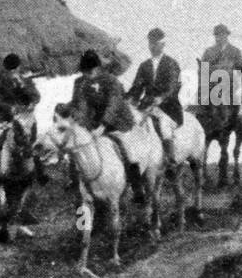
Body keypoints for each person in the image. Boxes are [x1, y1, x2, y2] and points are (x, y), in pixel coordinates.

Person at [71, 49, 141, 197]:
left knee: (128, 151)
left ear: (97, 68)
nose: (87, 75)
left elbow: (113, 104)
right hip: (95, 123)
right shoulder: (82, 83)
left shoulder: (111, 81)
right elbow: (82, 105)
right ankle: (80, 183)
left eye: (90, 72)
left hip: (118, 122)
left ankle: (136, 187)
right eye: (84, 72)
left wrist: (103, 125)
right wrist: (80, 121)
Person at [125, 27, 184, 138]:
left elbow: (174, 87)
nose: (152, 46)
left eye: (155, 43)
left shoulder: (171, 64)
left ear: (162, 44)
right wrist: (129, 99)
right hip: (146, 106)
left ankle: (169, 155)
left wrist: (161, 98)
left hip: (168, 108)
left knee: (164, 129)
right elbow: (136, 87)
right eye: (150, 43)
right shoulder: (144, 65)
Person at [198, 23, 242, 119]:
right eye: (217, 35)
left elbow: (241, 70)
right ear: (215, 36)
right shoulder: (209, 51)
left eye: (222, 34)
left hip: (230, 84)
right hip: (213, 84)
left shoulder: (235, 51)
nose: (220, 37)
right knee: (202, 100)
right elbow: (202, 70)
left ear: (227, 35)